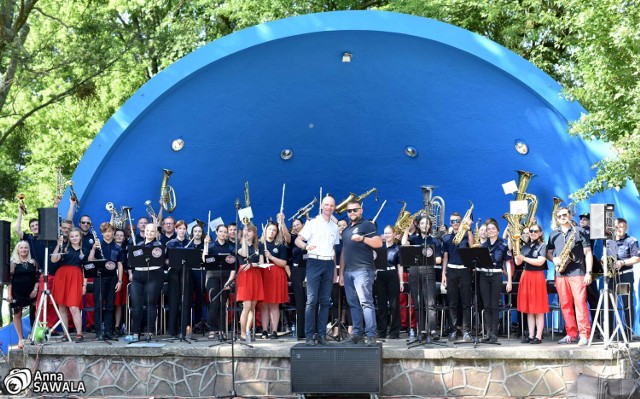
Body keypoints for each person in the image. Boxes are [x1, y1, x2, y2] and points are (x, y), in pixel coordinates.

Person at [295, 195, 340, 346]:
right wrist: (305, 246)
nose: (329, 207)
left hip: (328, 263)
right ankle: (309, 336)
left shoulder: (335, 226)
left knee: (325, 301)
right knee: (311, 300)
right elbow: (298, 239)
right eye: (326, 205)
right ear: (321, 206)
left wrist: (334, 271)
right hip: (314, 261)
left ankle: (321, 335)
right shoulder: (312, 223)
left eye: (332, 205)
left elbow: (333, 248)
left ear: (334, 208)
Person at [547, 206, 593, 346]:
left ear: (570, 215)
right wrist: (553, 259)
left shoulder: (579, 231)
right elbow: (549, 252)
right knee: (565, 305)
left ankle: (584, 334)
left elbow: (588, 253)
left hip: (577, 273)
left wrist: (589, 272)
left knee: (580, 304)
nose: (562, 217)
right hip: (560, 274)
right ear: (557, 218)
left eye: (565, 214)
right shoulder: (553, 234)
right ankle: (571, 334)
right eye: (559, 216)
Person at [339, 200, 382, 346]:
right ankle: (357, 334)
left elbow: (378, 243)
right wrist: (341, 273)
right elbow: (344, 252)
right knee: (353, 304)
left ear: (361, 210)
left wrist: (363, 238)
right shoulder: (346, 231)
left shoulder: (367, 225)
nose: (352, 213)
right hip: (348, 272)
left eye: (355, 210)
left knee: (366, 303)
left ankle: (371, 335)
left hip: (363, 270)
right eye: (349, 211)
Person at [401, 216, 442, 341]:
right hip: (414, 272)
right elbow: (403, 244)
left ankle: (433, 330)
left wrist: (428, 259)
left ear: (430, 226)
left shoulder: (434, 241)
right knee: (418, 304)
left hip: (428, 271)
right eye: (422, 223)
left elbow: (439, 259)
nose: (424, 225)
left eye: (427, 223)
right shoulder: (414, 239)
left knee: (430, 303)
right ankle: (422, 330)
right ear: (418, 225)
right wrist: (407, 229)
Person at [88, 222, 125, 340]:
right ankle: (99, 332)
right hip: (99, 278)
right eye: (105, 232)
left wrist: (120, 281)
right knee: (98, 306)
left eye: (109, 231)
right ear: (102, 233)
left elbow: (120, 265)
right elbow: (90, 260)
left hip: (113, 278)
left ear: (113, 232)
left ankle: (108, 331)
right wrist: (93, 248)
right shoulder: (98, 246)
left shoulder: (118, 247)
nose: (108, 234)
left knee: (110, 306)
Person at [441, 212, 474, 342]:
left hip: (465, 270)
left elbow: (472, 247)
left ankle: (466, 331)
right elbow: (445, 257)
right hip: (452, 270)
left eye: (457, 221)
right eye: (452, 221)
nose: (454, 223)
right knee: (452, 303)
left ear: (461, 221)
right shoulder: (447, 238)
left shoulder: (467, 235)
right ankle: (453, 330)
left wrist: (468, 229)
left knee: (466, 302)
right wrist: (444, 273)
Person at [50, 228, 87, 342]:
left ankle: (79, 333)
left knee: (74, 306)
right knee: (62, 306)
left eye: (76, 236)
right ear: (69, 238)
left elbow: (85, 269)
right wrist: (58, 245)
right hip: (62, 277)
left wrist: (84, 285)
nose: (74, 238)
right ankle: (66, 333)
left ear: (80, 237)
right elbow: (53, 260)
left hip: (76, 277)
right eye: (72, 236)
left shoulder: (84, 250)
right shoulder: (64, 248)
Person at [479, 218, 512, 343]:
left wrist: (508, 280)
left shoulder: (503, 245)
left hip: (496, 276)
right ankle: (487, 333)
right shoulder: (482, 246)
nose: (491, 231)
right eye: (488, 229)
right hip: (483, 276)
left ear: (498, 231)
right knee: (486, 306)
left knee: (494, 306)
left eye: (493, 229)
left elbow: (508, 263)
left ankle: (494, 334)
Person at [129, 223, 164, 341]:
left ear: (156, 233)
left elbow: (160, 260)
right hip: (138, 276)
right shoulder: (137, 245)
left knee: (150, 303)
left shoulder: (158, 245)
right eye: (147, 231)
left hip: (153, 275)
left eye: (152, 231)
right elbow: (131, 262)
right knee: (136, 305)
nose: (149, 233)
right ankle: (135, 332)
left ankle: (149, 331)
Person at [514, 223, 549, 344]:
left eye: (535, 231)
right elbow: (518, 263)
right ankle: (531, 335)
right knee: (529, 309)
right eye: (531, 231)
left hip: (537, 276)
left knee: (538, 309)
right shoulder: (525, 246)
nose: (532, 233)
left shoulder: (542, 245)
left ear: (540, 233)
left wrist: (524, 258)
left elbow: (540, 261)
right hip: (526, 275)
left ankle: (538, 336)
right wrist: (516, 249)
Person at [203, 224, 236, 340]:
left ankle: (222, 330)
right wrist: (205, 245)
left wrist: (230, 281)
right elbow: (204, 259)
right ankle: (212, 329)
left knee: (222, 304)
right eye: (221, 231)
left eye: (225, 232)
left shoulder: (231, 247)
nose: (223, 234)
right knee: (214, 303)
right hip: (212, 277)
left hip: (226, 278)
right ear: (216, 232)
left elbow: (234, 266)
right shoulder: (211, 246)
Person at [608, 218, 639, 339]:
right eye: (616, 227)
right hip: (611, 276)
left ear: (625, 228)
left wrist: (623, 262)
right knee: (609, 304)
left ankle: (628, 332)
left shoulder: (631, 241)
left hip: (625, 274)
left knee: (627, 304)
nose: (618, 229)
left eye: (621, 227)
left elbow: (637, 258)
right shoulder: (609, 241)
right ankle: (609, 333)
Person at [259, 220, 289, 339]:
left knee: (274, 304)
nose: (271, 232)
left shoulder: (280, 245)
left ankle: (275, 330)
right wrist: (263, 258)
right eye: (270, 229)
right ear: (265, 230)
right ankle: (265, 330)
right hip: (264, 274)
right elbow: (260, 262)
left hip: (276, 275)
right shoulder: (260, 244)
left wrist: (271, 257)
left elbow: (283, 262)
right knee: (264, 305)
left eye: (274, 230)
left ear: (277, 233)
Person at [7, 241, 39, 349]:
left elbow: (37, 278)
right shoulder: (13, 263)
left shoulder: (33, 262)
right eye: (21, 248)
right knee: (17, 315)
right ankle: (21, 339)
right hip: (17, 292)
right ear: (18, 250)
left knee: (35, 313)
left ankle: (35, 336)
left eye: (26, 248)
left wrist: (35, 289)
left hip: (31, 292)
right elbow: (9, 280)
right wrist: (9, 294)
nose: (24, 250)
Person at [165, 220, 193, 338]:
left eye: (184, 229)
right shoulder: (170, 243)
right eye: (180, 228)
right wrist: (173, 262)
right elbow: (165, 260)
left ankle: (184, 330)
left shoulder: (190, 243)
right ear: (176, 230)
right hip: (174, 274)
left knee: (186, 301)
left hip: (186, 274)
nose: (182, 231)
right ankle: (172, 330)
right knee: (174, 301)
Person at [237, 223, 264, 342]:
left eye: (250, 231)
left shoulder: (258, 246)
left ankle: (248, 331)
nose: (248, 233)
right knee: (246, 306)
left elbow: (262, 263)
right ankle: (242, 334)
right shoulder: (240, 245)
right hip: (245, 276)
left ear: (254, 232)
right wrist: (243, 238)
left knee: (253, 306)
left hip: (255, 275)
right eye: (246, 230)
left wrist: (253, 264)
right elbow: (243, 253)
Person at [375, 225, 403, 339]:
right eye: (385, 233)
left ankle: (394, 331)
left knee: (394, 304)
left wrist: (401, 282)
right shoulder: (380, 247)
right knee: (381, 304)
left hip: (392, 275)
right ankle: (381, 331)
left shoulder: (397, 248)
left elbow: (400, 265)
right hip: (380, 275)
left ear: (394, 234)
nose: (387, 235)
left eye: (389, 233)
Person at [288, 218, 306, 339]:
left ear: (303, 225)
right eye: (294, 226)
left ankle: (312, 330)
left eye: (298, 224)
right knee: (300, 302)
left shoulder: (311, 236)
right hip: (297, 271)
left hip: (310, 269)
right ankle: (300, 332)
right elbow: (285, 234)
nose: (296, 227)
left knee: (311, 300)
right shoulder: (292, 239)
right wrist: (282, 222)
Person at [189, 223, 206, 333]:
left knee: (200, 299)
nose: (197, 233)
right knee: (189, 298)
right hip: (190, 273)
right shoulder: (188, 245)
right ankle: (189, 323)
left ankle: (199, 323)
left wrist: (207, 245)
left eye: (199, 231)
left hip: (201, 273)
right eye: (195, 231)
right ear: (192, 233)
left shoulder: (205, 245)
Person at [113, 229, 128, 335]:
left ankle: (117, 325)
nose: (119, 237)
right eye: (117, 235)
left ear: (124, 237)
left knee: (119, 303)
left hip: (122, 276)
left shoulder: (126, 249)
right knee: (110, 303)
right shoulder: (109, 246)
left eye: (121, 235)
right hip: (109, 275)